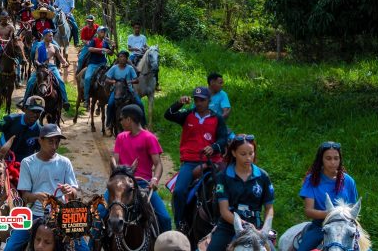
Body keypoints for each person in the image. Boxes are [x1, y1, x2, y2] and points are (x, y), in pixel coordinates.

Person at [3, 124, 88, 251]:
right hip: (34, 214)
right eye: (50, 142)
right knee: (10, 248)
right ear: (40, 140)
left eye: (57, 142)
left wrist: (70, 191)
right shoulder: (28, 163)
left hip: (62, 214)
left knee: (83, 249)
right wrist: (36, 196)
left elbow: (74, 193)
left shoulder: (65, 162)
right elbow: (25, 197)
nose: (54, 146)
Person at [163, 87, 228, 230]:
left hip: (213, 162)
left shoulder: (217, 118)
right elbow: (168, 115)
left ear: (208, 101)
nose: (198, 103)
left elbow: (224, 138)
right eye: (196, 100)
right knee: (179, 191)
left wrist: (214, 147)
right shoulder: (187, 116)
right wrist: (178, 103)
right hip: (191, 162)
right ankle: (180, 223)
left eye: (202, 100)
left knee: (227, 187)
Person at [207, 134, 274, 251]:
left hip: (256, 227)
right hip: (229, 226)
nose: (248, 158)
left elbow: (269, 208)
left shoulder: (263, 176)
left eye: (251, 153)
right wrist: (245, 226)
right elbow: (224, 210)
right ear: (234, 153)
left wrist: (264, 229)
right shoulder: (223, 177)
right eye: (243, 154)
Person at [111, 104, 172, 232]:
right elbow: (114, 158)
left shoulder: (149, 138)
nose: (120, 122)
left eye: (121, 119)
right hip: (121, 184)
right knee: (99, 213)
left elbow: (158, 164)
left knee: (165, 218)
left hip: (142, 184)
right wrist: (115, 172)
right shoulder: (120, 137)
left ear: (129, 120)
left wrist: (154, 179)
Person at [295, 142, 359, 251]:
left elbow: (352, 211)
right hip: (320, 227)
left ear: (340, 160)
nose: (333, 162)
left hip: (345, 228)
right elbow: (309, 211)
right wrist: (331, 214)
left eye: (336, 158)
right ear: (321, 160)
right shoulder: (312, 180)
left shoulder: (349, 181)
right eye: (328, 158)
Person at [0, 95, 44, 163]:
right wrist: (1, 149)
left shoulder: (40, 131)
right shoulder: (10, 119)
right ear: (24, 109)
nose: (35, 115)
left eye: (38, 112)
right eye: (33, 111)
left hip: (24, 164)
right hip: (1, 158)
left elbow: (40, 152)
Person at [23, 30, 71, 111]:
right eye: (49, 36)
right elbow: (35, 59)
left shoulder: (54, 47)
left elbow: (60, 58)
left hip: (52, 67)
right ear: (44, 36)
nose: (51, 37)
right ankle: (25, 102)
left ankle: (65, 101)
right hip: (40, 67)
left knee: (60, 81)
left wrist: (65, 62)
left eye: (52, 35)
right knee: (31, 81)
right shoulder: (39, 47)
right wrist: (38, 64)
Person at [105, 50, 147, 127]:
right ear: (118, 58)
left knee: (140, 103)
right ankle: (109, 123)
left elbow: (136, 80)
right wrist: (113, 81)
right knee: (110, 104)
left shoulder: (130, 68)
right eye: (121, 57)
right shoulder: (114, 68)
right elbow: (107, 79)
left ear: (127, 59)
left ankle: (144, 123)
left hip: (129, 89)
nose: (123, 58)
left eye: (124, 57)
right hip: (116, 89)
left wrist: (130, 81)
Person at [82, 26, 113, 110]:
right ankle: (86, 99)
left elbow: (110, 53)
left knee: (110, 78)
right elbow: (90, 49)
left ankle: (109, 96)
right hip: (93, 64)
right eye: (102, 32)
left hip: (103, 63)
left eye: (104, 32)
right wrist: (101, 49)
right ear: (98, 32)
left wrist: (112, 47)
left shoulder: (106, 42)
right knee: (87, 78)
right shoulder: (94, 40)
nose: (103, 33)